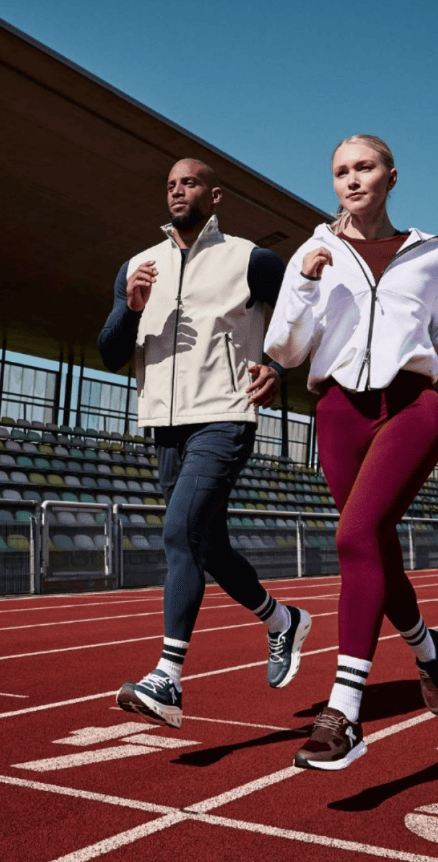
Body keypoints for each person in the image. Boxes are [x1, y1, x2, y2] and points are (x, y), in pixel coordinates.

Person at [264, 135, 438, 769]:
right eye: (340, 172)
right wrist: (301, 283)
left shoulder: (430, 254)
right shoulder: (314, 249)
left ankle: (344, 712)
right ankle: (424, 645)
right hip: (338, 414)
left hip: (412, 405)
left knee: (354, 537)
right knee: (374, 545)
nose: (352, 180)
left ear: (391, 176)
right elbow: (285, 350)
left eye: (364, 168)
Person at [98, 158, 312, 729]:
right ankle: (281, 620)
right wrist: (131, 305)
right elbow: (109, 350)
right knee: (207, 546)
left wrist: (276, 366)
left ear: (214, 195)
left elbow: (302, 317)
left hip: (224, 412)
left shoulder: (251, 259)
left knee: (178, 532)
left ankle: (167, 678)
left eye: (188, 183)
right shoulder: (138, 266)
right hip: (164, 424)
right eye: (169, 184)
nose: (176, 191)